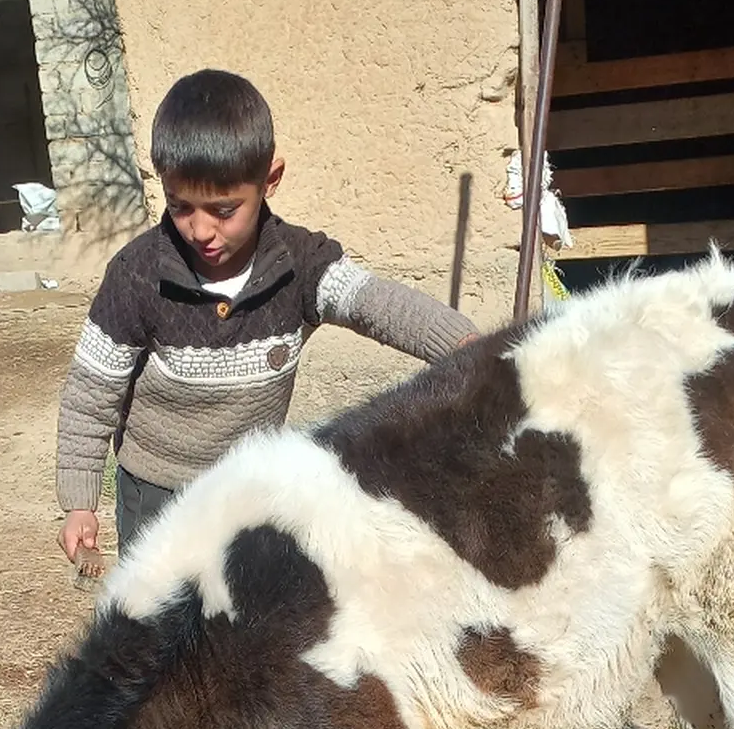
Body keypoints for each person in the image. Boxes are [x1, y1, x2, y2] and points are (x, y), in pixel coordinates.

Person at [56, 68, 477, 564]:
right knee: (158, 623)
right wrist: (79, 503)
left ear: (269, 181)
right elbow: (92, 392)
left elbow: (375, 303)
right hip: (157, 491)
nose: (200, 230)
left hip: (252, 485)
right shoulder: (136, 276)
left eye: (223, 209)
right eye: (180, 206)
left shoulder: (299, 265)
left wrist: (466, 347)